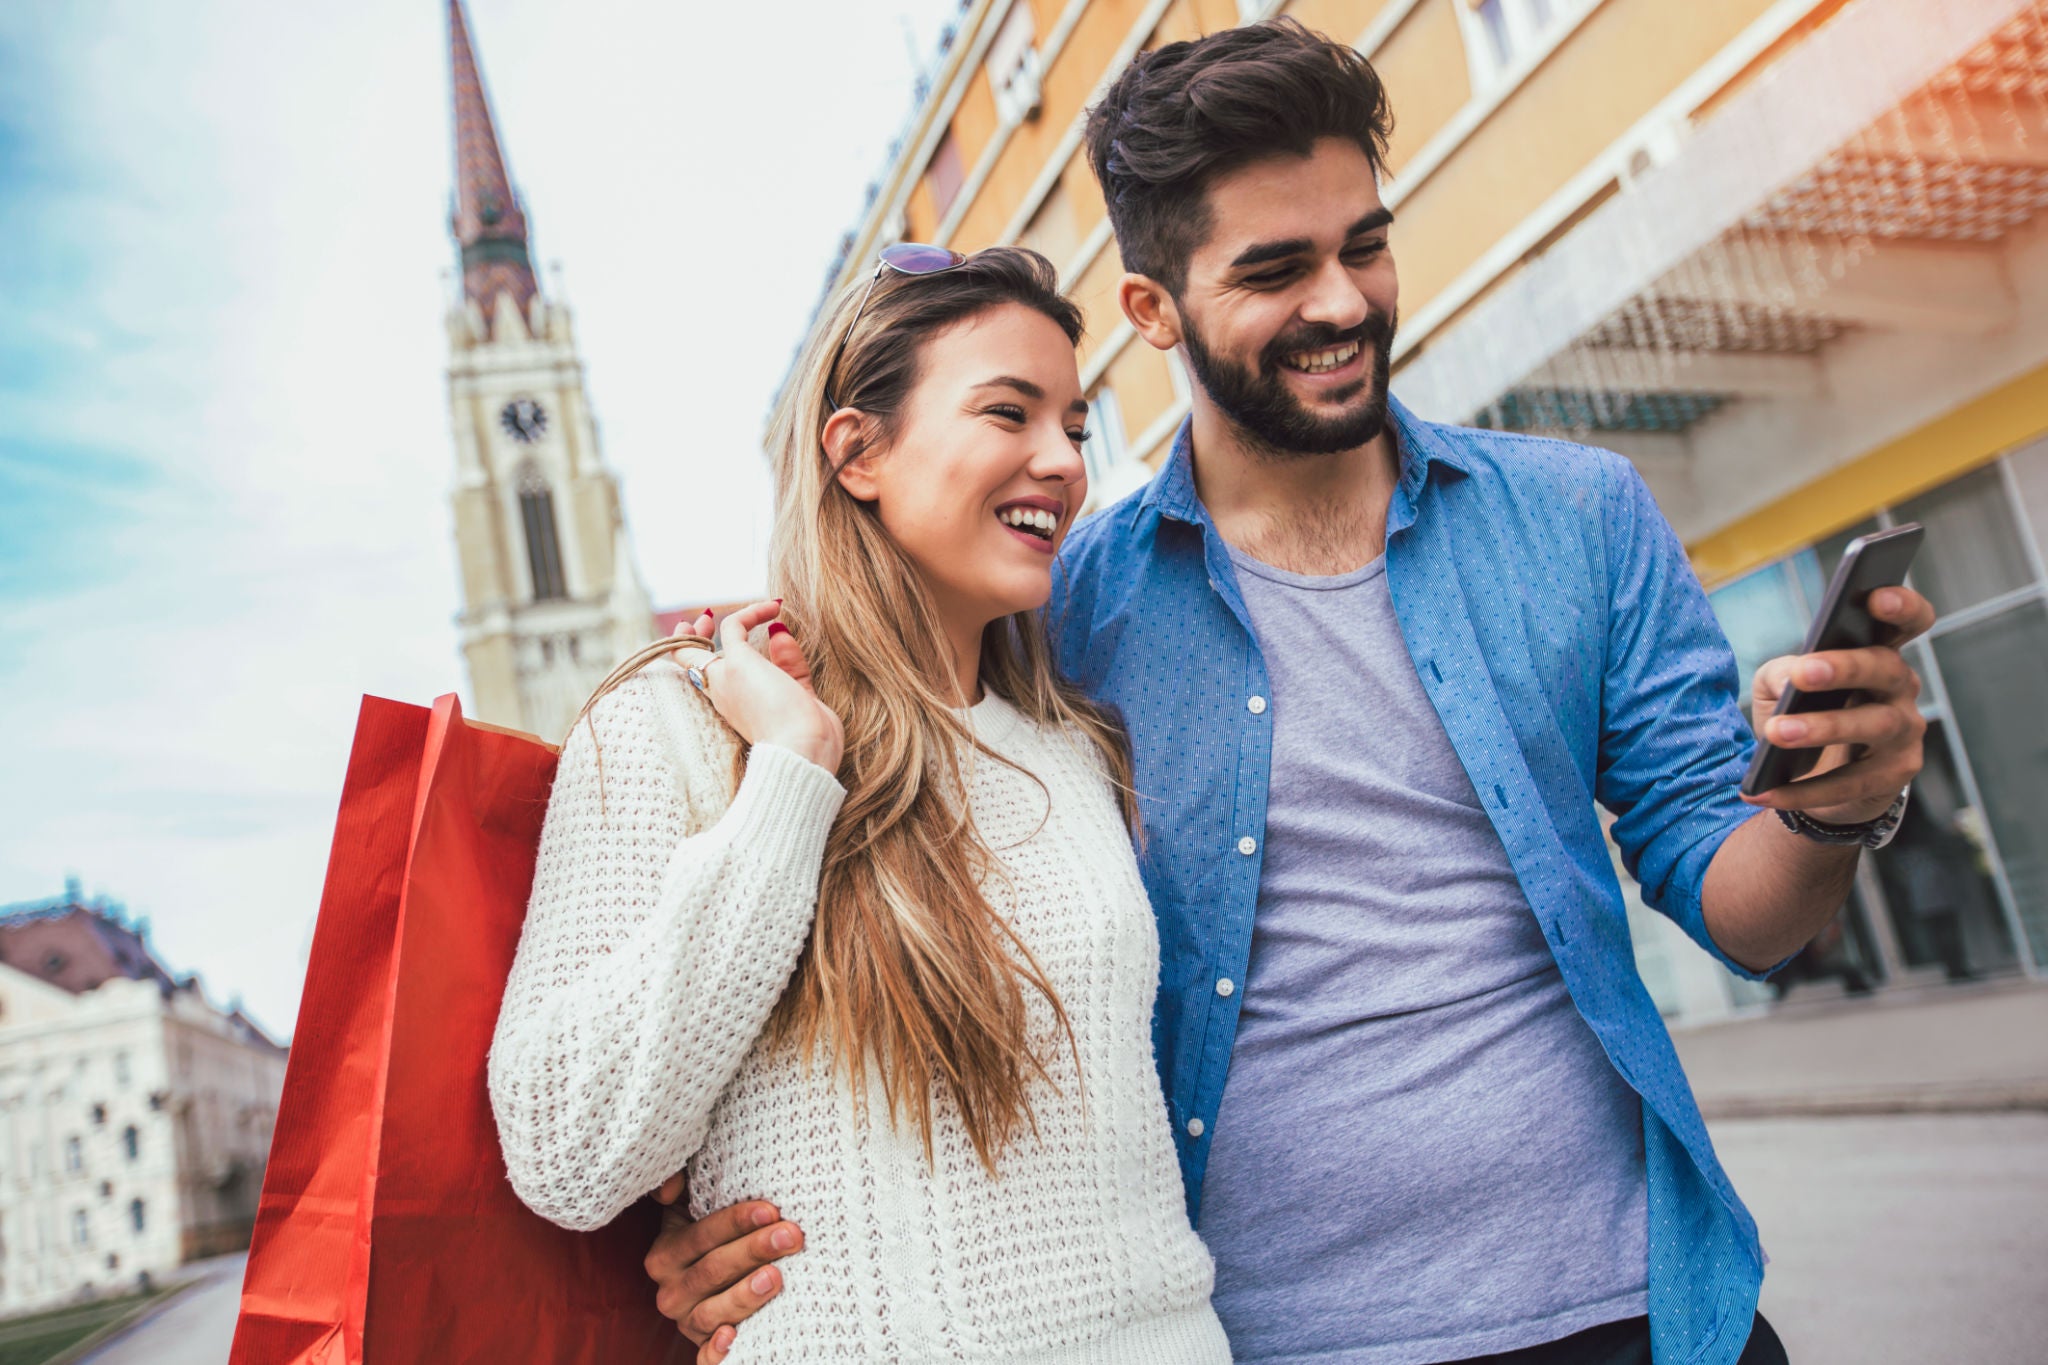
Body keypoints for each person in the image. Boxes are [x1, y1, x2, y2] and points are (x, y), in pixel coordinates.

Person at [652, 20, 1938, 1365]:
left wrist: (1828, 807)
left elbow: (1745, 916)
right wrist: (724, 1219)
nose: (1341, 303)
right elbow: (871, 938)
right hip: (1261, 1340)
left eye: (1362, 247)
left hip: (1632, 1311)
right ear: (1150, 311)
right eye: (1274, 270)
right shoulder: (1053, 615)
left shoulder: (1581, 520)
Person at [487, 246, 1231, 1364]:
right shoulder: (682, 726)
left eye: (1075, 427)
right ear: (855, 451)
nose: (1062, 461)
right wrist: (793, 774)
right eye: (1008, 412)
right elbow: (565, 1151)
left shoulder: (1075, 750)